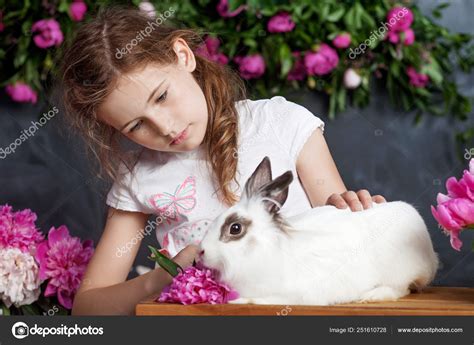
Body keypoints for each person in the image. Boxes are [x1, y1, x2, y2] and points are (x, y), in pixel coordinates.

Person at [58, 6, 386, 315]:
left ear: (183, 56)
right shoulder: (139, 177)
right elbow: (88, 307)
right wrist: (161, 278)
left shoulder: (280, 124)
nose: (165, 127)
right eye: (135, 125)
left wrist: (353, 215)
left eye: (161, 96)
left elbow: (340, 235)